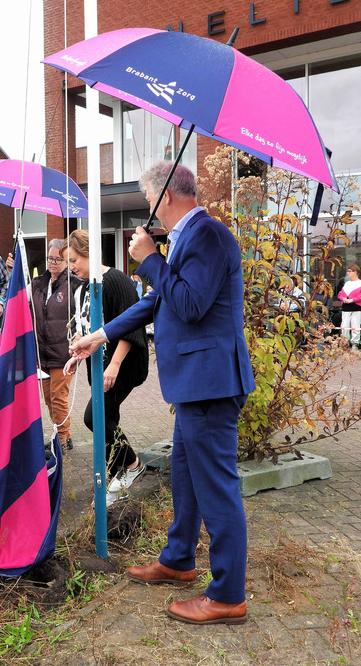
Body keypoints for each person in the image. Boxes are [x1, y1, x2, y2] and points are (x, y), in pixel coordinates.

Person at [70, 162, 255, 625]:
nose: (147, 211)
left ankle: (228, 594)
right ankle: (178, 560)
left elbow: (190, 306)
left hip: (211, 384)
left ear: (164, 196)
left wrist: (151, 258)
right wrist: (101, 335)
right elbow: (158, 299)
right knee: (186, 477)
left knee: (216, 488)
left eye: (148, 200)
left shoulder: (208, 236)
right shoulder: (191, 239)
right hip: (197, 384)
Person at [60, 230, 149, 506]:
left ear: (89, 252)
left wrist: (115, 365)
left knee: (94, 418)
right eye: (68, 262)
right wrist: (78, 357)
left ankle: (132, 465)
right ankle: (116, 475)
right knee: (108, 419)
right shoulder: (85, 287)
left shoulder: (115, 280)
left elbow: (130, 327)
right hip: (103, 365)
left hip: (123, 363)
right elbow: (92, 333)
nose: (71, 267)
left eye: (74, 260)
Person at [31, 239, 83, 451]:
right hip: (42, 353)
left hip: (63, 352)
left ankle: (62, 438)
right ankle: (62, 434)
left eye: (58, 259)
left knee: (58, 397)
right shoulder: (38, 284)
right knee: (49, 399)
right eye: (50, 258)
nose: (53, 263)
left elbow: (80, 316)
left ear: (66, 260)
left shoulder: (74, 284)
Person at [338, 264, 361, 351]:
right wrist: (343, 298)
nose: (347, 273)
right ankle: (344, 342)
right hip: (346, 307)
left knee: (355, 325)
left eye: (349, 271)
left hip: (357, 307)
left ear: (355, 272)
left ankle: (355, 343)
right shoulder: (347, 283)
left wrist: (352, 300)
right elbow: (340, 294)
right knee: (344, 325)